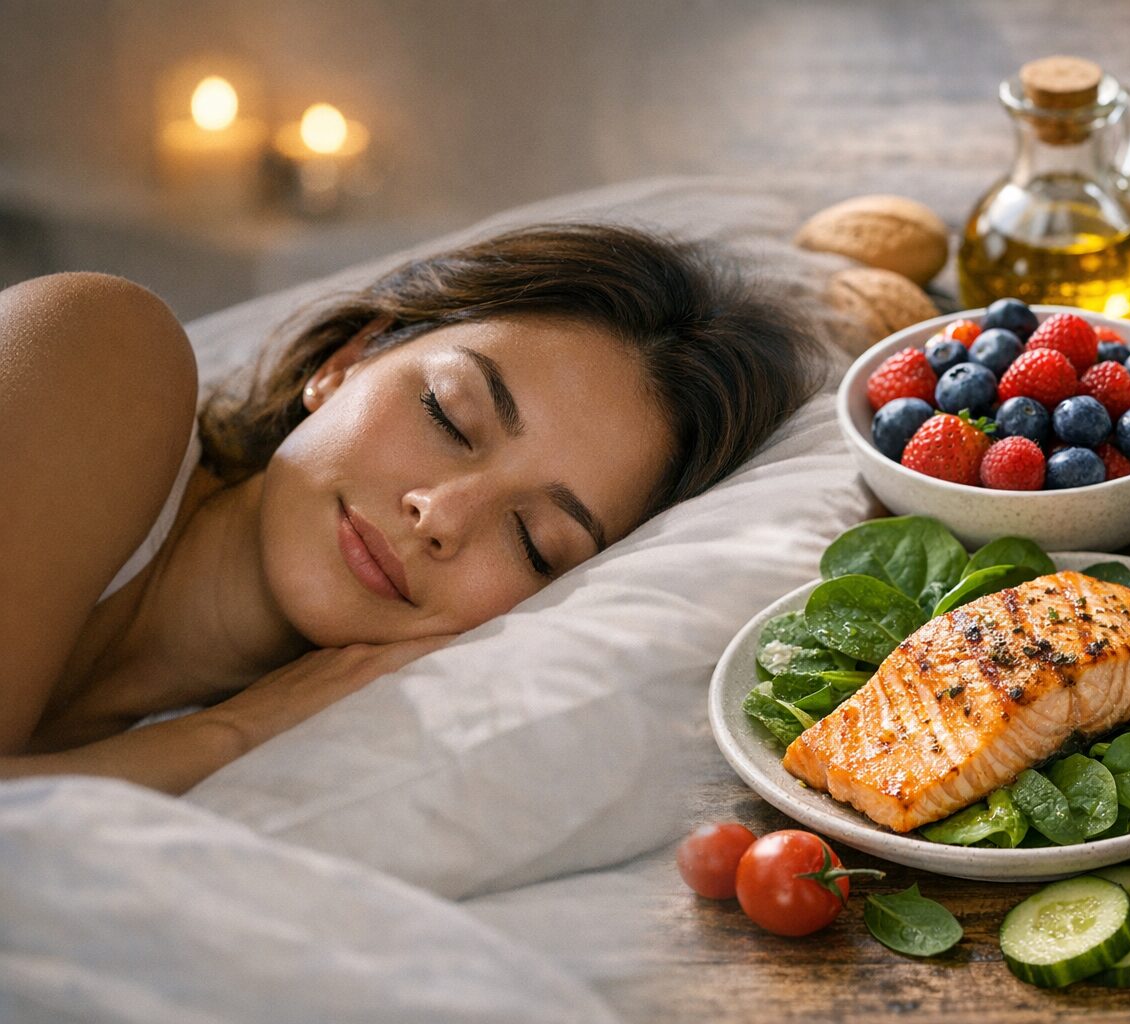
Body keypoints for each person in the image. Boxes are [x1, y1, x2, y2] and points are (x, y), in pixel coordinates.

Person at [0, 223, 821, 794]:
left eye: (535, 542)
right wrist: (232, 734)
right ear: (347, 360)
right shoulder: (102, 353)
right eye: (447, 416)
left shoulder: (323, 763)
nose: (440, 515)